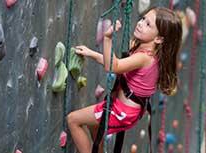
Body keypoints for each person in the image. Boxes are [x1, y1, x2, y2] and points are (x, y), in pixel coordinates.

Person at [66, 7, 182, 153]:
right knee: (95, 128)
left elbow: (113, 66)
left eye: (148, 24)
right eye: (143, 19)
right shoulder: (146, 51)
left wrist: (108, 38)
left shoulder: (144, 57)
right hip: (128, 110)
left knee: (73, 120)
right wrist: (91, 54)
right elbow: (117, 64)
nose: (140, 23)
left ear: (158, 39)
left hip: (122, 111)